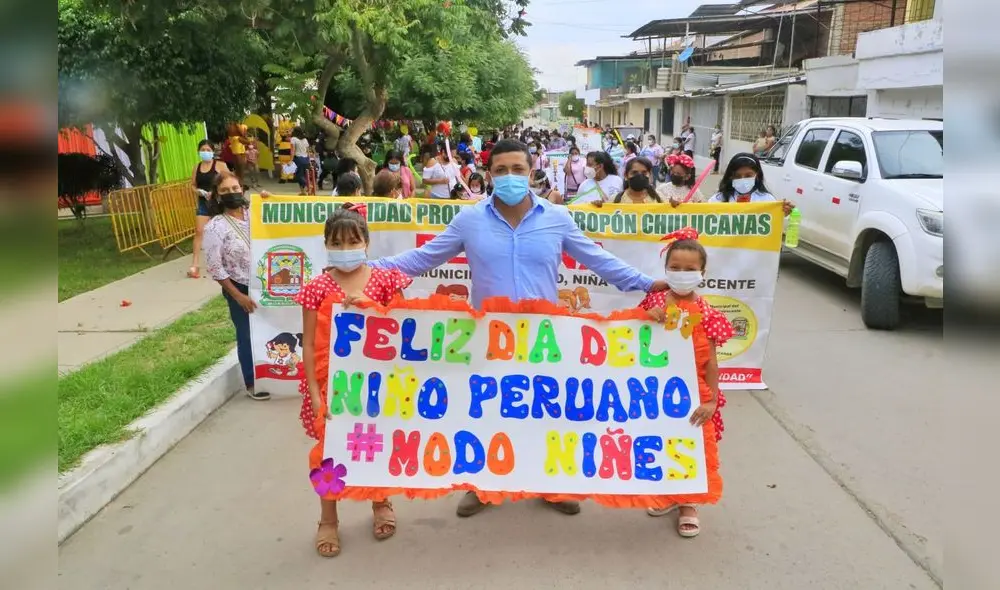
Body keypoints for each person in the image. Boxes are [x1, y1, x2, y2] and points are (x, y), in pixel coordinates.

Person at [369, 139, 670, 518]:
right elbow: (421, 258)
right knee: (485, 411)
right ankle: (483, 486)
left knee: (547, 413)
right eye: (500, 171)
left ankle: (552, 486)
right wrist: (367, 271)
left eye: (517, 169)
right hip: (487, 336)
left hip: (543, 337)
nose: (509, 177)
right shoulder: (470, 220)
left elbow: (599, 259)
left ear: (531, 172)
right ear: (488, 175)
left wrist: (647, 283)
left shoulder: (557, 218)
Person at [295, 203, 411, 557]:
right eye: (337, 243)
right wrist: (316, 394)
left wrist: (373, 308)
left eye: (353, 241)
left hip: (379, 385)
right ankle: (328, 519)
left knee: (375, 444)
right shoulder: (316, 287)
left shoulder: (387, 280)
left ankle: (380, 501)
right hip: (333, 386)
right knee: (330, 452)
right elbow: (309, 343)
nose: (346, 250)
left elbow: (405, 326)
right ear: (326, 244)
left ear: (366, 243)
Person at [638, 227, 733, 538]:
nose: (681, 274)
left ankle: (689, 502)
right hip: (658, 391)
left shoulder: (707, 313)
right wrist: (646, 319)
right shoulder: (653, 301)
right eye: (675, 269)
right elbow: (634, 341)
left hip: (694, 394)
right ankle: (669, 493)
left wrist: (710, 400)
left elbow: (711, 363)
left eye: (689, 270)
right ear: (665, 269)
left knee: (690, 445)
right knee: (665, 441)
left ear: (702, 272)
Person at [202, 170, 269, 401]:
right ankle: (252, 382)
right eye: (225, 191)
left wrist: (270, 200)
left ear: (242, 189)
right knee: (246, 335)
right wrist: (237, 296)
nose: (231, 194)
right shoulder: (215, 227)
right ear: (218, 197)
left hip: (268, 284)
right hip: (239, 287)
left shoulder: (256, 214)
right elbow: (215, 267)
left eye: (235, 189)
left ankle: (279, 375)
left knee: (272, 331)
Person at [188, 140, 229, 279]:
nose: (205, 152)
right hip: (203, 203)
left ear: (212, 151)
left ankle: (225, 261)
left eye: (207, 149)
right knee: (199, 231)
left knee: (221, 232)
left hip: (218, 203)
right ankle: (194, 264)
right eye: (202, 149)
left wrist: (217, 191)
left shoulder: (220, 165)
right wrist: (198, 191)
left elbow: (229, 181)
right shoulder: (197, 167)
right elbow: (192, 185)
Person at [709, 153, 794, 215]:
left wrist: (781, 212)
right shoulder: (718, 199)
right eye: (737, 176)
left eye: (748, 175)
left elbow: (773, 226)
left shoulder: (767, 200)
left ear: (757, 175)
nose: (743, 179)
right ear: (731, 177)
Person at [290, 128, 311, 195]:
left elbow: (292, 151)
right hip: (306, 159)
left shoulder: (293, 139)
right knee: (304, 175)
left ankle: (308, 185)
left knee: (298, 175)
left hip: (298, 159)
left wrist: (290, 160)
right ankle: (303, 191)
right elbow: (308, 151)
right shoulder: (305, 139)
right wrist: (309, 160)